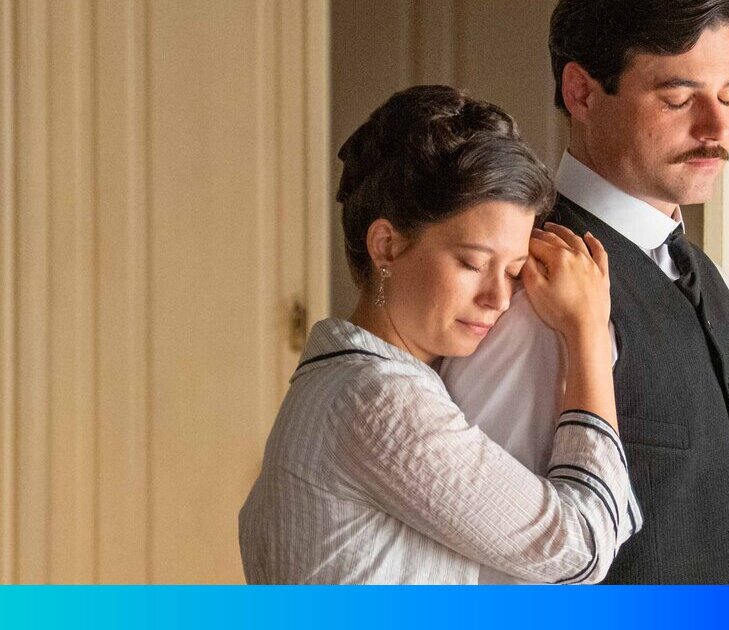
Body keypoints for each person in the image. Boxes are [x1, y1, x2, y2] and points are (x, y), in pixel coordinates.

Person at [238, 85, 641, 584]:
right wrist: (587, 331)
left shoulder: (335, 385)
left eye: (513, 270)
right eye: (472, 263)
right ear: (386, 246)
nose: (498, 297)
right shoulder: (379, 400)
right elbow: (581, 547)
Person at [441, 0, 729, 584]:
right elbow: (478, 568)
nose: (717, 130)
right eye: (679, 99)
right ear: (582, 92)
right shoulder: (528, 296)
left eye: (728, 97)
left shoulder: (715, 283)